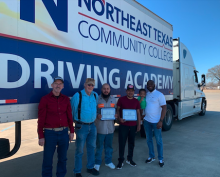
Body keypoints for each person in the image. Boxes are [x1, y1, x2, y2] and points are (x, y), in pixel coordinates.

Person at [38, 76, 74, 177]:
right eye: (56, 83)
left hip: (63, 133)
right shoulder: (45, 99)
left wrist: (71, 131)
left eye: (60, 84)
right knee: (48, 160)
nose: (58, 85)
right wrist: (41, 136)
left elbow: (69, 116)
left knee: (63, 159)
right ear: (52, 85)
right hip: (50, 134)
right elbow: (41, 119)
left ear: (63, 86)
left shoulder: (66, 99)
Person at [71, 78, 99, 177]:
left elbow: (95, 109)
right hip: (81, 126)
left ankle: (90, 167)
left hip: (92, 125)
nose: (90, 86)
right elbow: (72, 111)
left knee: (92, 147)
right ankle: (77, 171)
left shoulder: (95, 95)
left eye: (92, 85)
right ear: (85, 85)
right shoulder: (77, 95)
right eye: (89, 84)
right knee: (79, 150)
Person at [116, 84, 141, 169]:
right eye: (129, 91)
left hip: (133, 125)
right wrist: (119, 118)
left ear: (134, 92)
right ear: (126, 91)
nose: (130, 92)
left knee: (131, 143)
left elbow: (138, 113)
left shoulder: (136, 101)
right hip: (123, 125)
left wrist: (139, 124)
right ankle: (120, 160)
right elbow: (118, 110)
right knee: (122, 143)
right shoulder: (121, 99)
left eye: (132, 91)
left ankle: (129, 159)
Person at [94, 83, 118, 172]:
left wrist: (116, 115)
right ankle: (97, 163)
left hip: (110, 128)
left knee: (109, 146)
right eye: (104, 88)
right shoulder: (97, 99)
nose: (106, 90)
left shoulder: (113, 100)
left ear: (110, 89)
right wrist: (97, 115)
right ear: (101, 89)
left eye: (107, 88)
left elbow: (116, 111)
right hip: (100, 128)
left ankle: (108, 161)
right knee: (99, 146)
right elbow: (94, 111)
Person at [143, 80, 166, 167]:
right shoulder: (147, 94)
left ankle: (160, 158)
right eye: (148, 85)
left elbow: (164, 107)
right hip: (147, 121)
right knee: (149, 139)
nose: (150, 86)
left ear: (154, 85)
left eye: (151, 84)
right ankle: (151, 156)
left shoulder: (159, 95)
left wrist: (161, 120)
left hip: (156, 122)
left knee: (158, 140)